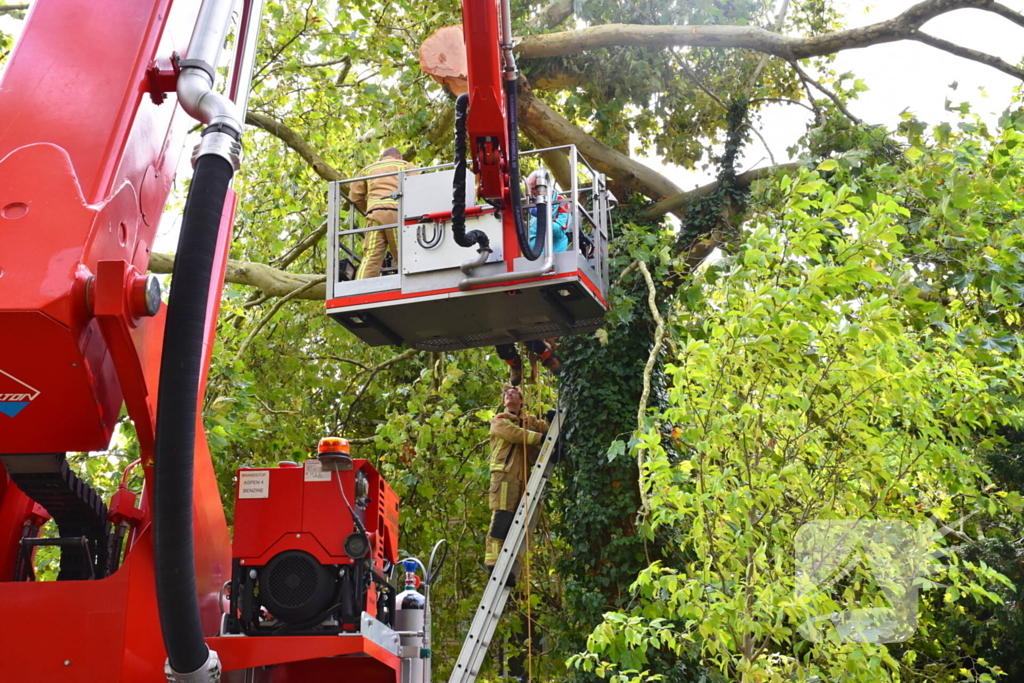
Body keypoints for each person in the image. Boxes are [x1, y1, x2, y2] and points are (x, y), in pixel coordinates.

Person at [485, 384, 549, 583]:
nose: (508, 394)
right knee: (502, 520)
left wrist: (551, 420)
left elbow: (544, 428)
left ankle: (508, 568)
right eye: (505, 394)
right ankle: (492, 565)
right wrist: (542, 439)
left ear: (521, 401)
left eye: (512, 393)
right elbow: (516, 435)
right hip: (504, 478)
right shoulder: (499, 420)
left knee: (516, 524)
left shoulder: (528, 421)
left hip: (522, 479)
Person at [348, 147, 417, 279]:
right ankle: (411, 281)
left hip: (374, 214)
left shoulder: (367, 170)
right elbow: (417, 188)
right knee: (402, 251)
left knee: (372, 253)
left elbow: (355, 197)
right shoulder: (405, 165)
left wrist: (369, 207)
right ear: (398, 157)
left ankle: (362, 286)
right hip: (397, 212)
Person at [525, 169, 572, 255]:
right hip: (534, 255)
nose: (531, 192)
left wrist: (543, 216)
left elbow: (560, 232)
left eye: (533, 188)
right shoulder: (533, 202)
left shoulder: (563, 203)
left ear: (544, 186)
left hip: (554, 253)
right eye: (529, 188)